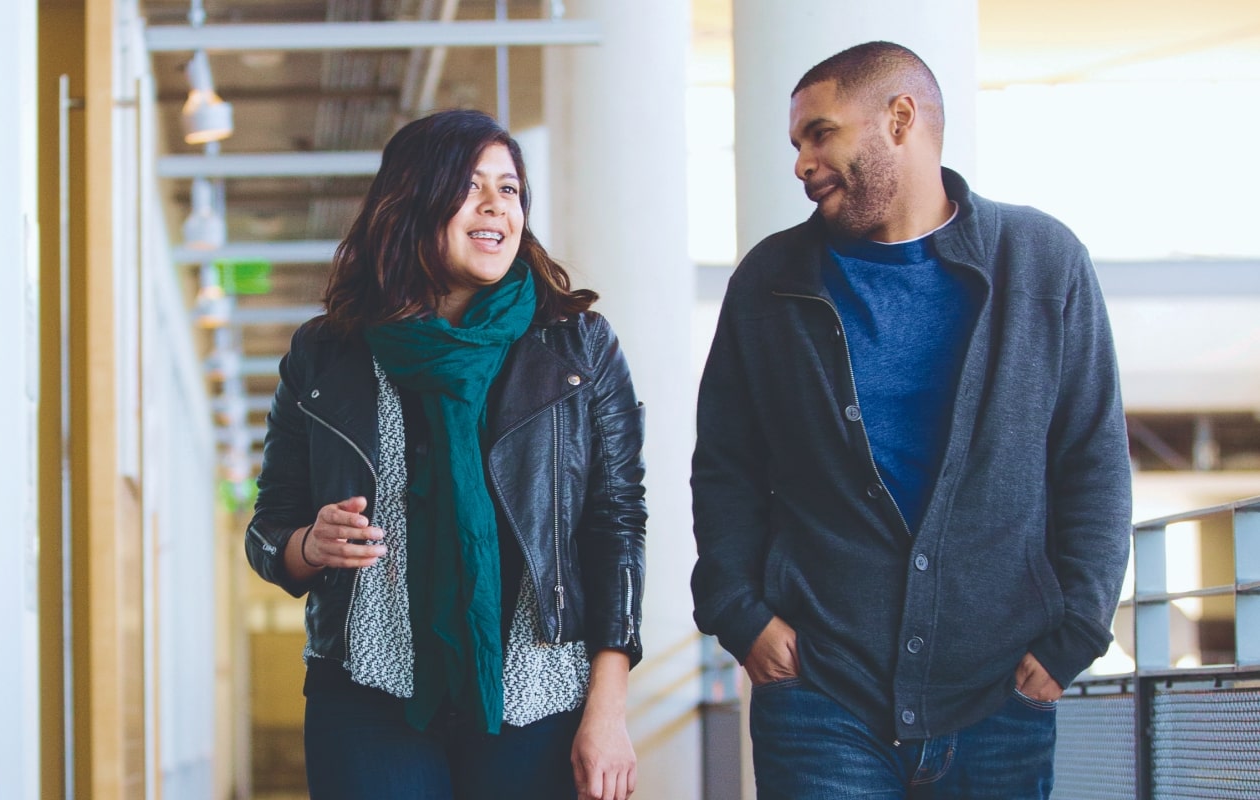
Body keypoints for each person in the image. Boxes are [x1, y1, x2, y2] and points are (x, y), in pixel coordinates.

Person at [690, 41, 1131, 798]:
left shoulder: (1041, 262)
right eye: (796, 144)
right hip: (819, 695)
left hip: (1001, 696)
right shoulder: (770, 280)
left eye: (820, 134)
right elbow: (726, 465)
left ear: (900, 119)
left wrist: (1076, 635)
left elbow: (1092, 458)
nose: (802, 163)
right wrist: (739, 612)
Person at [244, 109, 646, 800]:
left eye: (509, 189)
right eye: (469, 186)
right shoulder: (327, 352)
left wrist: (608, 711)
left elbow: (616, 526)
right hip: (367, 690)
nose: (495, 206)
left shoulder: (578, 346)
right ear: (411, 201)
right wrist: (310, 544)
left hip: (537, 692)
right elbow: (267, 530)